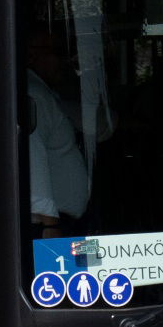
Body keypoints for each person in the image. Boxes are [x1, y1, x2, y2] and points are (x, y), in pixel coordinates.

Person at [24, 28, 110, 230]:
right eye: (57, 52)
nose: (64, 61)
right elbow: (33, 158)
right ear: (31, 55)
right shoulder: (34, 95)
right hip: (48, 224)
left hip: (56, 220)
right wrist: (50, 225)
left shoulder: (44, 93)